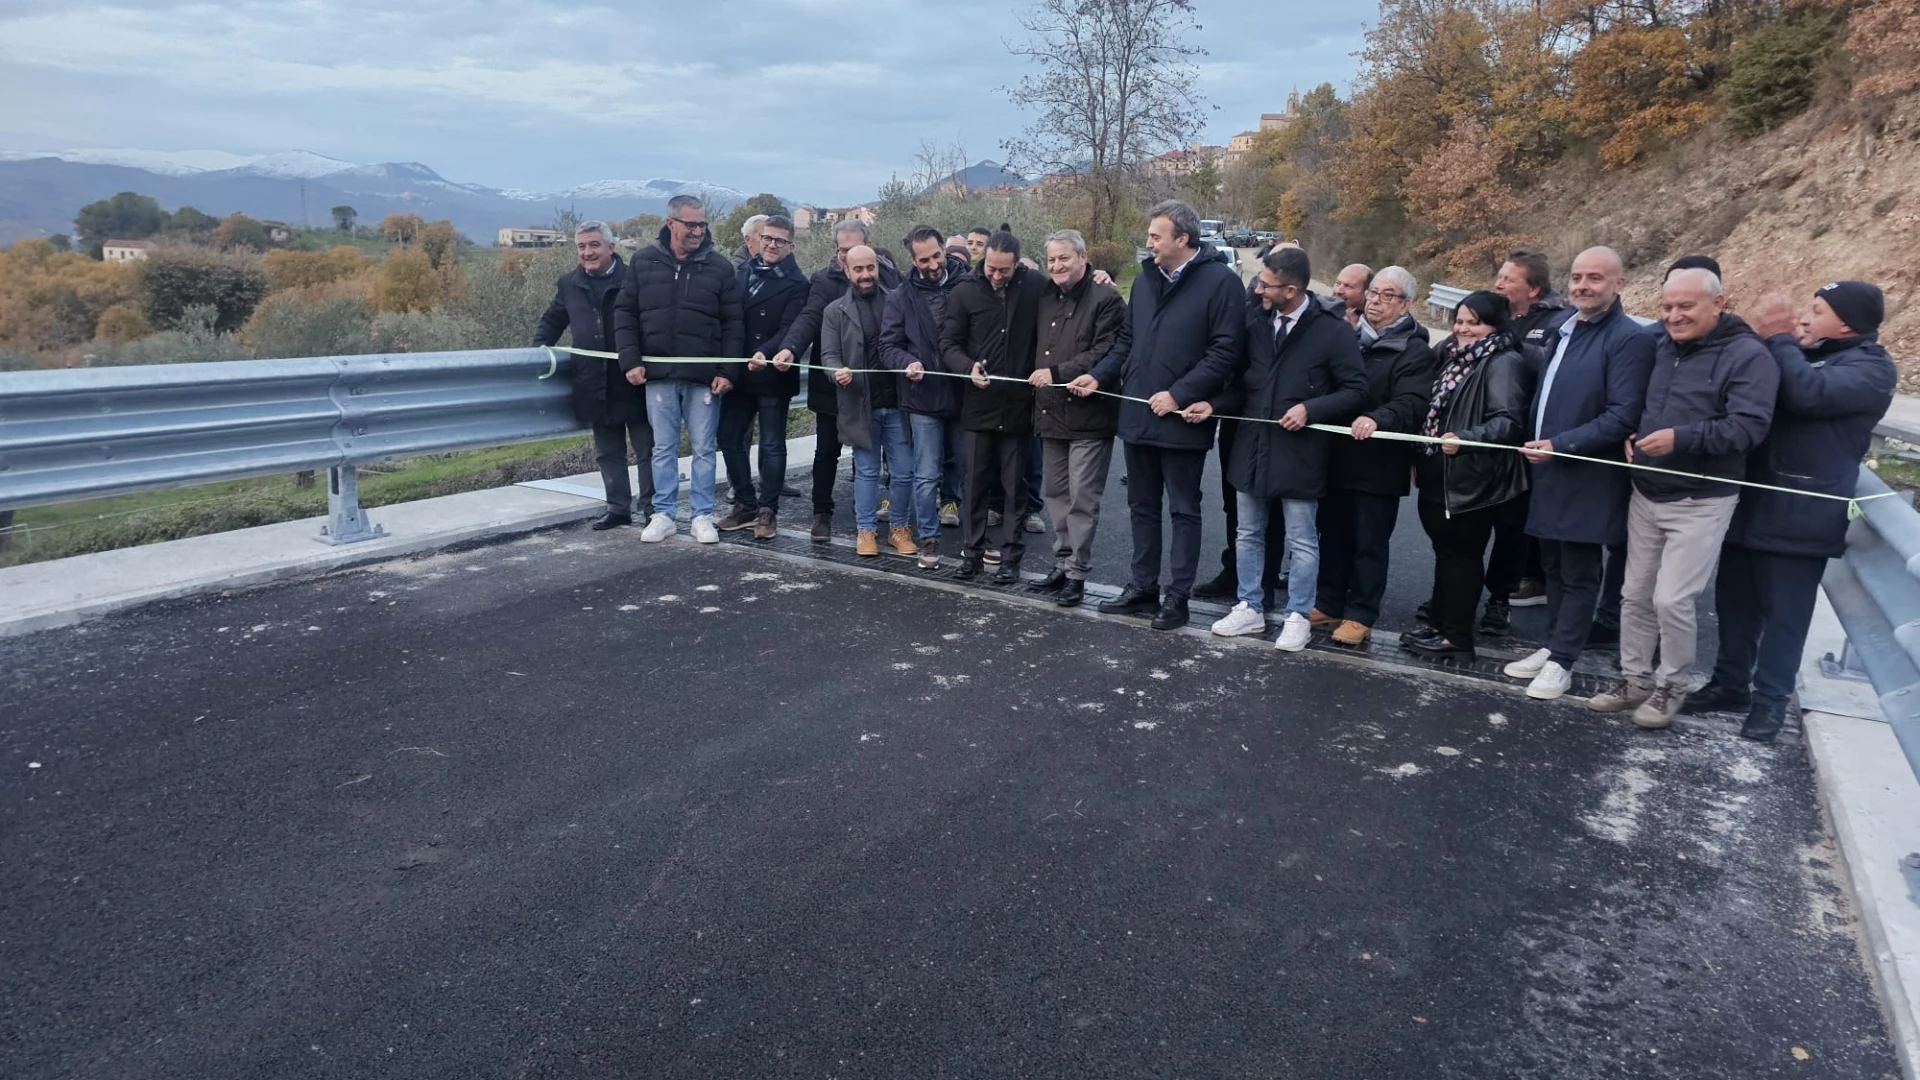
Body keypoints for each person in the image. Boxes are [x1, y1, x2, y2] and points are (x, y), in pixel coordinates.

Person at [1687, 281, 1896, 741]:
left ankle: (1770, 703)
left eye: (1817, 311)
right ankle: (1728, 683)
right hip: (1752, 501)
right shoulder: (1808, 354)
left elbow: (1810, 395)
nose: (1805, 318)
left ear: (1846, 322)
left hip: (1803, 511)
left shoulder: (1871, 368)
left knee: (1785, 615)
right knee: (1734, 602)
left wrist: (1780, 338)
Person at [1588, 268, 1779, 729]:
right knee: (1633, 594)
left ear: (1717, 303)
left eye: (1685, 306)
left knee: (1672, 599)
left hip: (1702, 499)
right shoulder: (1660, 346)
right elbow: (1650, 407)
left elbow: (1749, 427)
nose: (1674, 316)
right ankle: (1634, 678)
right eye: (1667, 307)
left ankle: (1671, 685)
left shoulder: (1749, 356)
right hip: (1646, 490)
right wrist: (1636, 435)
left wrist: (1681, 439)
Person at [1070, 200, 1244, 631]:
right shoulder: (1146, 280)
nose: (1147, 243)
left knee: (1184, 509)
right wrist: (1099, 376)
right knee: (1140, 506)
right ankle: (1142, 585)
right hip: (1137, 411)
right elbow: (1128, 340)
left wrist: (1180, 394)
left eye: (1155, 236)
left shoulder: (1221, 283)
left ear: (1182, 239)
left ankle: (1178, 596)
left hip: (1182, 418)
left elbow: (1225, 352)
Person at [1502, 247, 1655, 700]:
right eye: (1577, 277)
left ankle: (1564, 661)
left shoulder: (1629, 338)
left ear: (1619, 285)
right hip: (1547, 467)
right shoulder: (1564, 330)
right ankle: (1552, 646)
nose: (1582, 285)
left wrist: (1562, 445)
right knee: (1552, 565)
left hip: (1585, 470)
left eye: (1595, 278)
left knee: (1580, 568)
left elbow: (1624, 413)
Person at [1208, 246, 1368, 651]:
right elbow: (1242, 385)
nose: (1258, 288)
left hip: (1301, 453)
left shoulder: (1332, 331)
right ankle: (1249, 606)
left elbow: (1356, 389)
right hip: (1251, 447)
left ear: (1292, 290)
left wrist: (1310, 410)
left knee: (1301, 540)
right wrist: (1211, 405)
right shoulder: (1255, 321)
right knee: (1247, 533)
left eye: (1267, 283)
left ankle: (1298, 614)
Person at [1401, 290, 1530, 662]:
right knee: (1446, 554)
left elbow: (1508, 421)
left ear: (1495, 325)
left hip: (1473, 478)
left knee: (1462, 556)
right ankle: (1440, 625)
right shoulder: (1454, 357)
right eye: (1460, 321)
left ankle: (1455, 637)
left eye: (1475, 322)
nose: (1464, 328)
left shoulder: (1504, 362)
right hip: (1440, 470)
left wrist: (1468, 440)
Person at [1315, 266, 1435, 645]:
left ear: (1405, 305)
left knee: (1369, 542)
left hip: (1379, 463)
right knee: (1331, 535)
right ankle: (1329, 601)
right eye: (1373, 294)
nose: (1376, 302)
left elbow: (1412, 402)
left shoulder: (1414, 350)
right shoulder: (1348, 338)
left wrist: (1376, 418)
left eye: (1387, 296)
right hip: (1336, 457)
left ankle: (1361, 613)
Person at [614, 194, 744, 545]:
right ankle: (664, 514)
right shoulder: (643, 262)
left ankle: (702, 515)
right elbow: (624, 313)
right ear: (671, 223)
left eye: (702, 224)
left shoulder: (719, 267)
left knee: (703, 447)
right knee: (663, 447)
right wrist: (631, 360)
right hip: (658, 375)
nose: (698, 231)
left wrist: (728, 371)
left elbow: (734, 323)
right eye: (691, 224)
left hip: (704, 378)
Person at [765, 220, 901, 542]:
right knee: (827, 451)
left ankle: (869, 516)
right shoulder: (824, 281)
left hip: (878, 389)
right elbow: (809, 318)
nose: (848, 256)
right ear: (835, 250)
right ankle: (821, 513)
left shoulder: (889, 277)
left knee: (875, 454)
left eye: (854, 249)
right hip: (832, 388)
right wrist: (789, 348)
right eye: (842, 251)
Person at [1027, 229, 1125, 607]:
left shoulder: (1107, 298)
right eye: (1051, 259)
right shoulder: (1046, 295)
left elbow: (1106, 349)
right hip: (1050, 412)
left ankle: (1077, 574)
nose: (1056, 266)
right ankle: (1062, 562)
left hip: (1089, 416)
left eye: (1064, 258)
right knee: (1055, 494)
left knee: (1083, 499)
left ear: (1083, 258)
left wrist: (1057, 372)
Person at [942, 231, 1045, 582]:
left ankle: (1011, 558)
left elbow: (1069, 298)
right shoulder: (964, 292)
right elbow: (948, 343)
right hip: (977, 404)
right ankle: (970, 553)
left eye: (1004, 270)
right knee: (975, 484)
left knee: (1016, 486)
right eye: (991, 268)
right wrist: (965, 367)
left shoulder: (1035, 286)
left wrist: (1098, 276)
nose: (996, 275)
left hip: (1018, 405)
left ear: (1017, 265)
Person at [533, 221, 648, 530]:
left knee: (648, 449)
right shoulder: (568, 283)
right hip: (592, 381)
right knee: (608, 452)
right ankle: (618, 508)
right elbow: (553, 319)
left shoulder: (633, 280)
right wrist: (536, 352)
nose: (587, 252)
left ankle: (653, 509)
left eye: (594, 245)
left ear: (612, 247)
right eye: (581, 246)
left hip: (634, 379)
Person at [878, 226, 971, 568]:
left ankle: (973, 541)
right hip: (922, 398)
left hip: (964, 396)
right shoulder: (899, 297)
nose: (933, 264)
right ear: (913, 260)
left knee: (967, 469)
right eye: (924, 260)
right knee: (927, 472)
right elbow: (887, 346)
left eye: (936, 255)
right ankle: (929, 538)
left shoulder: (969, 284)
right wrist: (907, 363)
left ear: (943, 248)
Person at [1484, 249, 1566, 617]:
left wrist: (1510, 342)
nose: (1498, 284)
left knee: (1513, 521)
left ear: (1532, 289)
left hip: (1529, 434)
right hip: (1489, 429)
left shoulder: (1558, 322)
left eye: (1508, 279)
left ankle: (1509, 592)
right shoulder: (1494, 313)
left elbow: (1552, 367)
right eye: (1498, 277)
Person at [820, 245, 916, 558]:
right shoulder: (834, 311)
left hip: (898, 405)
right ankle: (866, 531)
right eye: (858, 269)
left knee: (903, 472)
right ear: (847, 271)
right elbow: (829, 356)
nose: (865, 275)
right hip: (860, 406)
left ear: (878, 268)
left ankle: (899, 529)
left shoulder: (897, 301)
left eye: (870, 268)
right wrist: (837, 373)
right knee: (867, 472)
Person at [720, 215, 808, 539]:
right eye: (767, 238)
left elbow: (790, 327)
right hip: (740, 373)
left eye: (779, 241)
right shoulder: (741, 273)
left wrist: (767, 352)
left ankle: (768, 510)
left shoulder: (799, 283)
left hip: (774, 371)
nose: (771, 245)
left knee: (771, 444)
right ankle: (745, 503)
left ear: (790, 246)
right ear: (759, 240)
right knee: (728, 436)